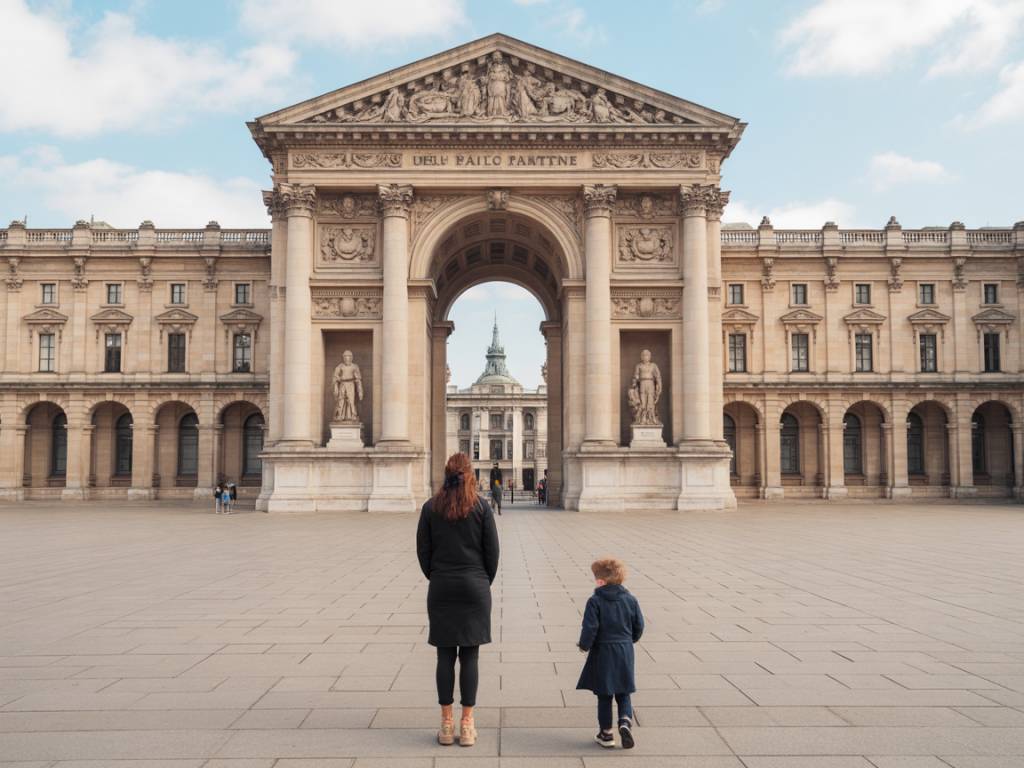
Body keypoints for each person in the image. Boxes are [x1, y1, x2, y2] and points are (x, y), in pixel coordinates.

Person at [417, 453, 499, 747]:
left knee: (444, 656)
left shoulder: (430, 507)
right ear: (470, 475)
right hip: (474, 587)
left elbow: (423, 552)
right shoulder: (482, 507)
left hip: (442, 587)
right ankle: (467, 725)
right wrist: (481, 581)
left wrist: (437, 576)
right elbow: (492, 554)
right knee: (470, 656)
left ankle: (445, 723)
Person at [577, 558, 645, 750]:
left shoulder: (595, 601)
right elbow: (639, 625)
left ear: (601, 581)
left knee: (604, 694)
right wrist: (630, 640)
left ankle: (606, 733)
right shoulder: (631, 600)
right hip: (625, 650)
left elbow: (590, 627)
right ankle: (625, 721)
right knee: (624, 691)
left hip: (603, 652)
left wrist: (584, 645)